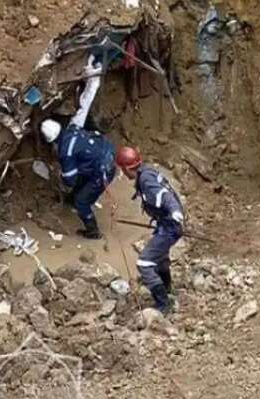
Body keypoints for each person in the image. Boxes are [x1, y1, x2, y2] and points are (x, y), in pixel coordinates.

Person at [40, 57, 114, 239]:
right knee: (83, 177)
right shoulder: (73, 128)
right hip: (106, 152)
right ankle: (74, 198)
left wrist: (58, 176)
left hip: (104, 168)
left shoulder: (66, 152)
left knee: (82, 202)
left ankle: (93, 231)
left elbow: (70, 179)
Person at [116, 146, 184, 314]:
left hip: (170, 225)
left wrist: (174, 211)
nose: (123, 174)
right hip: (166, 223)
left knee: (144, 263)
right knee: (160, 257)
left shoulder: (146, 181)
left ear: (126, 168)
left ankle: (163, 304)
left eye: (122, 170)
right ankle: (166, 288)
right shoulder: (147, 172)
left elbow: (164, 196)